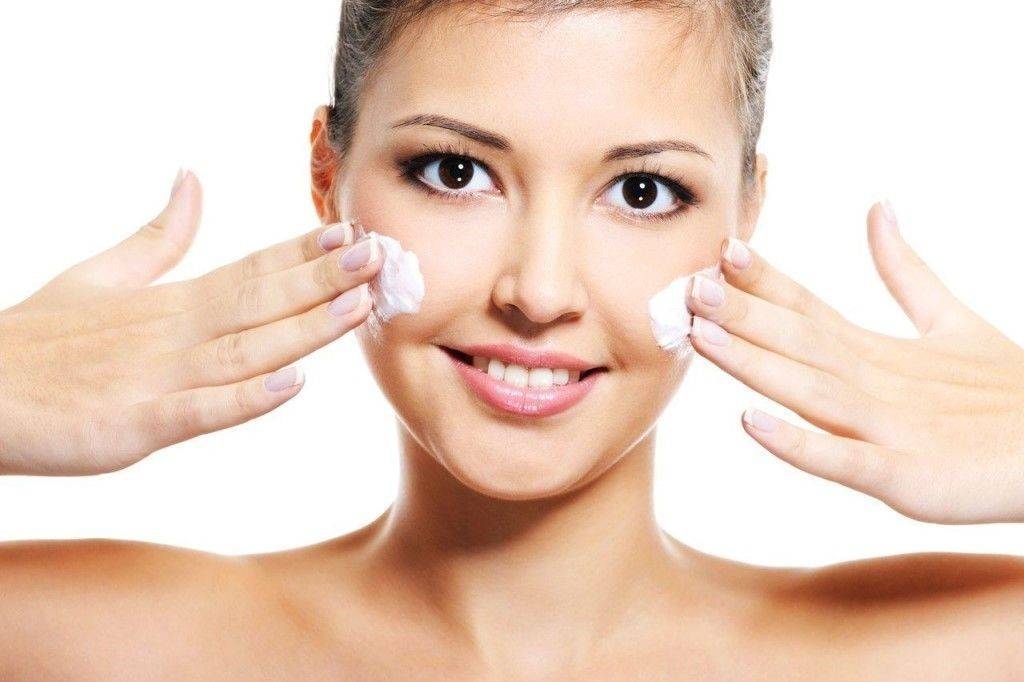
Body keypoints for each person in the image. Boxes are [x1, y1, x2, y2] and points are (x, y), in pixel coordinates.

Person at [2, 0, 1023, 678]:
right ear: (328, 173)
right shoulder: (93, 647)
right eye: (455, 172)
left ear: (743, 214)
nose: (537, 292)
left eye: (641, 190)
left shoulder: (934, 657)